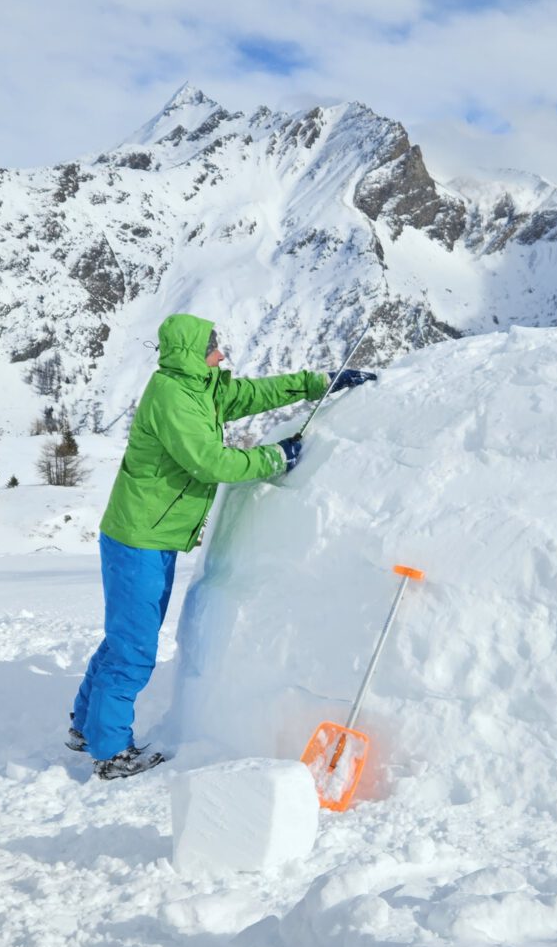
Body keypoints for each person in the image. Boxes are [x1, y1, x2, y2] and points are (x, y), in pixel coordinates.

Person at [69, 314, 375, 778]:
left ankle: (87, 726)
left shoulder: (200, 387)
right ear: (194, 353)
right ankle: (110, 752)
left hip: (152, 533)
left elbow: (256, 393)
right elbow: (210, 462)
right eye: (214, 348)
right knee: (133, 647)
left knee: (125, 638)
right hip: (139, 538)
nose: (222, 355)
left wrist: (320, 383)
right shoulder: (173, 397)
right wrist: (276, 457)